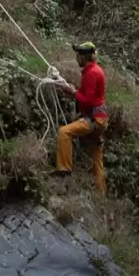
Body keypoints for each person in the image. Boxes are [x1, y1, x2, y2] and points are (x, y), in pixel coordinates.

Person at [55, 41, 108, 193]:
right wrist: (66, 89)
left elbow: (88, 100)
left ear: (84, 57)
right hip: (100, 119)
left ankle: (64, 170)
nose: (76, 58)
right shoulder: (93, 70)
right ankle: (101, 192)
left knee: (65, 132)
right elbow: (85, 96)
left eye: (78, 55)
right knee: (97, 157)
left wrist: (73, 92)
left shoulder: (92, 73)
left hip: (94, 119)